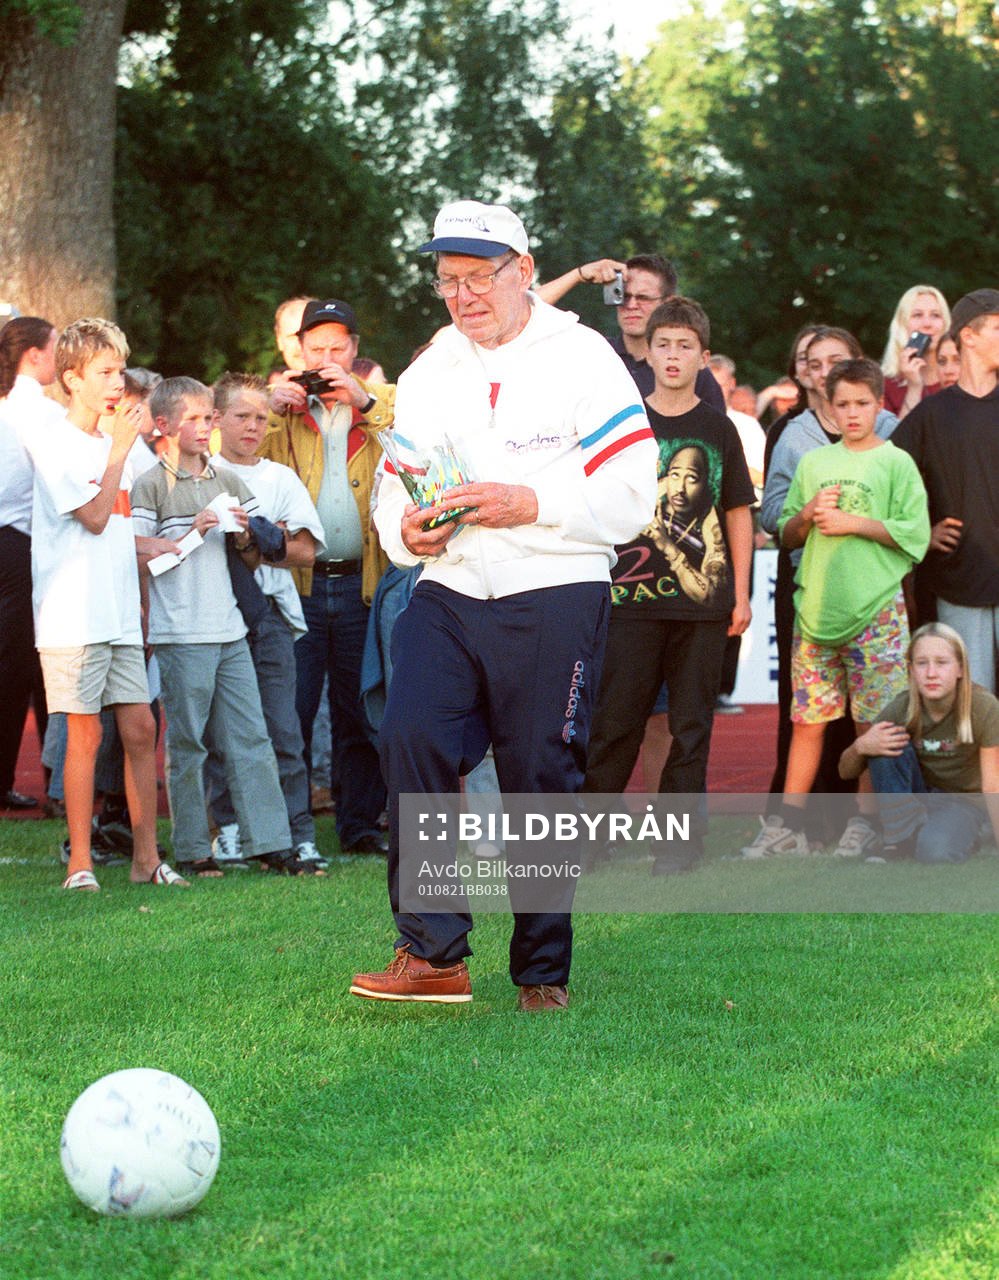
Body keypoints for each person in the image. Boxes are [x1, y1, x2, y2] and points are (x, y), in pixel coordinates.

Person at [350, 199, 657, 1010]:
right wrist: (403, 528)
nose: (461, 297)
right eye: (447, 281)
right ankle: (432, 951)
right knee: (409, 734)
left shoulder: (584, 357)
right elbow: (393, 483)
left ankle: (541, 972)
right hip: (449, 587)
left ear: (523, 271)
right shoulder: (428, 370)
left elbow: (632, 496)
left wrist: (532, 504)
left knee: (539, 777)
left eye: (477, 277)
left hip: (556, 584)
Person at [582, 297, 754, 873]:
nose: (674, 355)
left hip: (703, 606)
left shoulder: (718, 428)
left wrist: (743, 594)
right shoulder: (625, 424)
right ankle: (589, 841)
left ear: (703, 357)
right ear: (646, 351)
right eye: (664, 344)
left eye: (686, 346)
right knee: (614, 726)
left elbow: (737, 513)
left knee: (690, 729)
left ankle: (677, 850)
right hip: (628, 602)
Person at [744, 358, 930, 859]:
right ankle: (787, 824)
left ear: (878, 405)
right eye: (842, 403)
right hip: (817, 609)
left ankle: (866, 824)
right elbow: (783, 533)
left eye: (862, 404)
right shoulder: (813, 463)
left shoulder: (895, 462)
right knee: (809, 721)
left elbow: (915, 536)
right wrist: (804, 515)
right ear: (827, 403)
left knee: (874, 723)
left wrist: (853, 523)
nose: (851, 413)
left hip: (876, 611)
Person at [27, 318, 187, 890]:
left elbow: (117, 526)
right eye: (105, 372)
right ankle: (80, 864)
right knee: (86, 733)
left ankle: (147, 860)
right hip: (72, 612)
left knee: (141, 729)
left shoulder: (122, 444)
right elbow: (92, 516)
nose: (118, 382)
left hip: (118, 610)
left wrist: (158, 544)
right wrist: (120, 448)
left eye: (120, 370)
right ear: (71, 378)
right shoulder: (53, 442)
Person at [130, 377, 314, 876]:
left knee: (252, 737)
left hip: (230, 628)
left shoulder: (228, 480)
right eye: (192, 418)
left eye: (207, 416)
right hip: (179, 631)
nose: (203, 426)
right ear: (163, 425)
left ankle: (271, 843)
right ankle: (193, 847)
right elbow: (137, 557)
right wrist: (194, 533)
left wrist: (251, 534)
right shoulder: (148, 484)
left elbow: (258, 554)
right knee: (189, 744)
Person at [262, 300, 393, 854]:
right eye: (317, 349)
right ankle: (285, 830)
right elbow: (239, 466)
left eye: (338, 348)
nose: (327, 358)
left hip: (363, 581)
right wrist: (270, 410)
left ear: (355, 352)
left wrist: (364, 402)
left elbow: (417, 453)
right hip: (300, 585)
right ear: (299, 352)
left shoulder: (384, 402)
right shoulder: (281, 409)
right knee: (289, 710)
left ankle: (359, 826)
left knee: (358, 708)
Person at [206, 372, 326, 869]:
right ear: (216, 419)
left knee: (283, 729)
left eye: (262, 417)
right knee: (220, 732)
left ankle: (298, 832)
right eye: (242, 416)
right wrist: (264, 533)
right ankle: (230, 828)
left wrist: (256, 541)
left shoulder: (279, 477)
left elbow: (306, 550)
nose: (254, 426)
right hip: (210, 613)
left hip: (271, 613)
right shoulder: (199, 473)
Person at [891, 289, 999, 690]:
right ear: (968, 336)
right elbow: (886, 484)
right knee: (971, 707)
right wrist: (921, 534)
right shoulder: (930, 415)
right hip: (958, 584)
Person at [839, 623, 999, 862]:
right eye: (922, 663)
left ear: (960, 669)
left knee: (935, 852)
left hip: (964, 801)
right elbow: (845, 772)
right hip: (922, 796)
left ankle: (960, 832)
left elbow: (992, 784)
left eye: (942, 663)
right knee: (884, 744)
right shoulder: (901, 707)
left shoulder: (983, 706)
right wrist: (861, 746)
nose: (931, 673)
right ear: (911, 670)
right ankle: (898, 839)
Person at [536, 253, 726, 411]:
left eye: (643, 297)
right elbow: (522, 313)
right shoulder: (597, 354)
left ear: (667, 302)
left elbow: (717, 443)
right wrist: (579, 274)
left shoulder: (688, 369)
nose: (631, 305)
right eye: (623, 296)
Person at [0, 316, 59, 812]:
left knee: (17, 666)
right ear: (34, 355)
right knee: (31, 666)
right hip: (21, 546)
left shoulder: (10, 405)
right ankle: (58, 783)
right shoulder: (36, 409)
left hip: (12, 544)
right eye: (56, 348)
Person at [880, 285, 950, 420]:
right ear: (902, 324)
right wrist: (914, 388)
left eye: (935, 315)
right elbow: (897, 440)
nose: (927, 323)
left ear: (945, 323)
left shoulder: (958, 376)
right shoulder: (885, 385)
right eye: (917, 315)